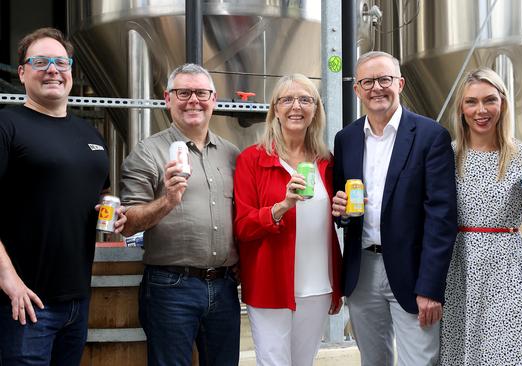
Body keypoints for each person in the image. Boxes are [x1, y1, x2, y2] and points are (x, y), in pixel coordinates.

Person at [0, 27, 126, 365]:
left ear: (71, 71)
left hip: (76, 302)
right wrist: (8, 280)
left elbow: (98, 197)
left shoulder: (90, 134)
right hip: (22, 304)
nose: (53, 69)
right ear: (23, 72)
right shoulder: (7, 126)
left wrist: (112, 213)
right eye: (40, 62)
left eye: (61, 61)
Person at [331, 51, 457, 365]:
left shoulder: (431, 135)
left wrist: (431, 286)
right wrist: (342, 210)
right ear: (356, 90)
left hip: (414, 272)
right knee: (373, 361)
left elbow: (441, 218)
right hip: (362, 272)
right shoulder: (346, 139)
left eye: (384, 79)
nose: (377, 88)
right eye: (368, 81)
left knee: (420, 360)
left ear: (399, 83)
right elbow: (346, 209)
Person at [120, 63, 240, 366]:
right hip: (171, 286)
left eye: (201, 93)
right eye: (183, 92)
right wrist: (168, 201)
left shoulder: (232, 154)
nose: (193, 100)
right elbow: (128, 223)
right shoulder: (148, 152)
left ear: (214, 99)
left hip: (225, 286)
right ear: (167, 98)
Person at [439, 67, 522, 365]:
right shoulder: (445, 155)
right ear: (461, 108)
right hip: (459, 267)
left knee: (511, 350)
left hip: (509, 267)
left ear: (502, 103)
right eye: (471, 102)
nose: (481, 110)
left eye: (489, 100)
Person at [233, 73, 343, 366]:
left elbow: (334, 222)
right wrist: (281, 207)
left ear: (315, 111)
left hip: (318, 286)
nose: (296, 106)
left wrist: (343, 209)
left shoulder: (326, 162)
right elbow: (243, 227)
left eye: (305, 100)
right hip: (270, 285)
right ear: (275, 110)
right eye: (287, 100)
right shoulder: (252, 160)